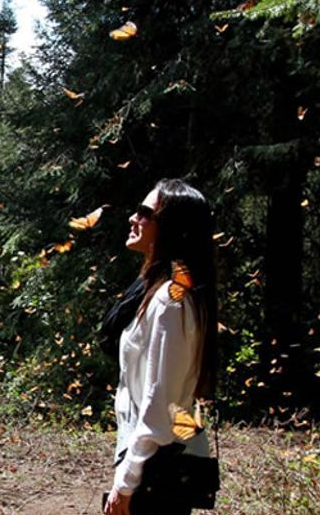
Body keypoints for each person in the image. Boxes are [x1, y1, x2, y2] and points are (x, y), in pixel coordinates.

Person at [100, 179, 218, 515]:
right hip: (154, 462)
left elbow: (160, 402)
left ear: (171, 228)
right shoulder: (157, 292)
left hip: (157, 470)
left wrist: (125, 482)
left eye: (144, 213)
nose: (132, 219)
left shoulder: (170, 301)